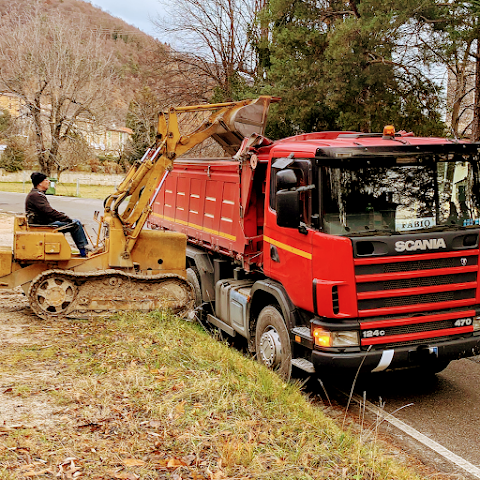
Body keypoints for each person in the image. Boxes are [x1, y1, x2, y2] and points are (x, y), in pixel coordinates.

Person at [25, 172, 90, 257]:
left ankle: (82, 250)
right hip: (42, 224)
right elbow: (49, 212)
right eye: (46, 180)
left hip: (41, 221)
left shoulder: (35, 194)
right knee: (76, 224)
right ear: (40, 183)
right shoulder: (36, 196)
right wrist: (66, 218)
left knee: (72, 222)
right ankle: (83, 252)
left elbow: (47, 212)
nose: (48, 181)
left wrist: (61, 217)